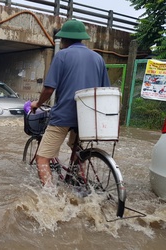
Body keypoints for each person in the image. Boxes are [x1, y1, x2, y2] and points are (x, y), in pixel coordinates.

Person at [30, 19, 111, 186]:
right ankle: (77, 178)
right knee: (76, 147)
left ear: (64, 39)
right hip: (89, 117)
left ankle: (49, 196)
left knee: (42, 157)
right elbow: (105, 91)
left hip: (64, 115)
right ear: (82, 38)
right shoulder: (98, 58)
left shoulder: (62, 56)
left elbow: (49, 89)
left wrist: (37, 103)